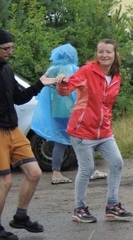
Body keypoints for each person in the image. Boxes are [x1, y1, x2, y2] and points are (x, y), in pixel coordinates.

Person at [0, 29, 61, 240]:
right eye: (6, 49)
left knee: (34, 173)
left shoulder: (6, 70)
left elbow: (19, 98)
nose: (10, 52)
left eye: (11, 48)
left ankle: (20, 217)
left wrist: (39, 85)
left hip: (13, 130)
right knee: (5, 182)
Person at [58, 39, 133, 223]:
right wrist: (62, 83)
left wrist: (106, 121)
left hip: (104, 131)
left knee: (117, 163)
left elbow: (107, 105)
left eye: (108, 52)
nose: (104, 55)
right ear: (96, 54)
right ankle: (79, 208)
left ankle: (112, 206)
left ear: (115, 54)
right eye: (101, 52)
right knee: (87, 168)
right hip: (81, 129)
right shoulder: (86, 71)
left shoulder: (116, 77)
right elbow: (67, 90)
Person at [30, 43, 79, 185]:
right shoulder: (73, 69)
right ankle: (90, 169)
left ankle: (56, 173)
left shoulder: (52, 69)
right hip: (72, 110)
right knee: (82, 140)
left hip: (56, 110)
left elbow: (43, 92)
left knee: (60, 141)